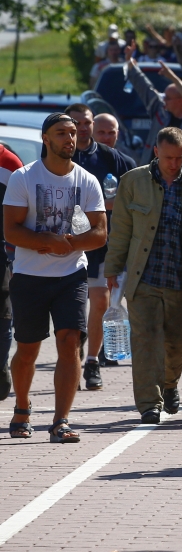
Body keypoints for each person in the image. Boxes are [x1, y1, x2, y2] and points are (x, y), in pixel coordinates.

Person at [105, 127, 182, 424]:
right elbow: (120, 230)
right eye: (168, 157)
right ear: (156, 151)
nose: (174, 163)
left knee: (180, 342)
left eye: (180, 157)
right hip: (142, 277)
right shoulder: (133, 181)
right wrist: (112, 269)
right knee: (145, 341)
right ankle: (149, 404)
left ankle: (170, 383)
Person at [3, 113, 107, 443]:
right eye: (61, 133)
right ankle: (22, 407)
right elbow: (10, 229)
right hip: (29, 275)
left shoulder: (87, 181)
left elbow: (101, 232)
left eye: (73, 133)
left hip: (71, 275)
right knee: (28, 350)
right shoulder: (24, 177)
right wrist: (46, 242)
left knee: (70, 342)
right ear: (45, 139)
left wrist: (71, 245)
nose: (70, 139)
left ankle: (61, 421)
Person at [65, 104, 135, 387]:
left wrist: (105, 207)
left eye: (87, 123)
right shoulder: (57, 157)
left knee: (101, 301)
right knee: (72, 307)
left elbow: (131, 199)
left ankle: (92, 362)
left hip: (103, 243)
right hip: (67, 244)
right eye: (76, 123)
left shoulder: (113, 159)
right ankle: (77, 345)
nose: (83, 128)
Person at [124, 42, 182, 164]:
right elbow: (145, 88)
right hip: (151, 173)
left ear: (180, 100)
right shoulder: (160, 111)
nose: (164, 100)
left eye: (168, 98)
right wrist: (130, 63)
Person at [0, 142, 22, 400]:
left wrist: (17, 257)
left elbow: (21, 214)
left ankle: (1, 365)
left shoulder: (10, 165)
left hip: (3, 253)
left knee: (3, 315)